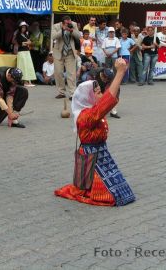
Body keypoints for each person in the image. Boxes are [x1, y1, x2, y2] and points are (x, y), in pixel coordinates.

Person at [54, 58, 135, 206]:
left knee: (124, 193)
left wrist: (116, 75)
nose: (100, 94)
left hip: (102, 153)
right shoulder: (86, 116)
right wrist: (120, 72)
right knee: (111, 197)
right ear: (88, 96)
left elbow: (111, 98)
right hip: (91, 158)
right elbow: (108, 101)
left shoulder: (92, 110)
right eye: (97, 92)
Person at [52, 16, 81, 100]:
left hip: (70, 52)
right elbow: (53, 37)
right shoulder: (56, 26)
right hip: (58, 52)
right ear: (63, 22)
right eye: (67, 23)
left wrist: (72, 30)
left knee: (71, 74)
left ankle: (72, 93)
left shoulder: (74, 25)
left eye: (69, 22)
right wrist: (63, 30)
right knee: (58, 73)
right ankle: (61, 92)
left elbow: (78, 36)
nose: (69, 24)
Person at [15, 21, 36, 87]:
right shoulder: (18, 35)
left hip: (27, 51)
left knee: (28, 66)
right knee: (23, 66)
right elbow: (21, 44)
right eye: (22, 27)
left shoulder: (26, 35)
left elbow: (29, 42)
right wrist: (27, 43)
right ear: (20, 28)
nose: (24, 29)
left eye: (25, 27)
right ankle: (24, 81)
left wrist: (27, 43)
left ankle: (29, 81)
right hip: (21, 52)